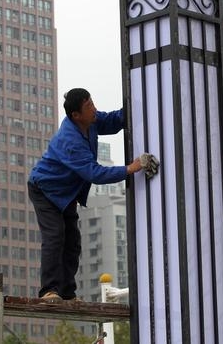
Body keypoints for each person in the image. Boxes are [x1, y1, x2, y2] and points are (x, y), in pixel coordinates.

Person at [27, 88, 143, 302]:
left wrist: (139, 103)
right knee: (55, 236)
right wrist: (130, 168)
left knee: (73, 241)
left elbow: (113, 120)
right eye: (88, 106)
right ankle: (48, 290)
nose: (94, 109)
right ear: (76, 115)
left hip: (66, 192)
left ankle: (68, 293)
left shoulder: (91, 122)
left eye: (92, 102)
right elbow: (94, 173)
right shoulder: (70, 140)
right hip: (45, 189)